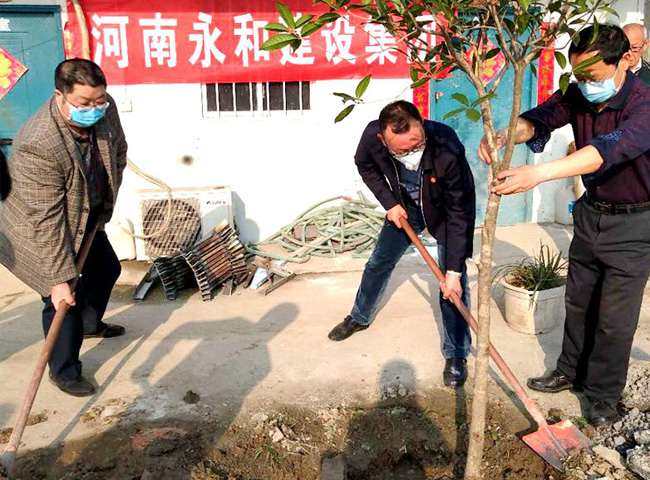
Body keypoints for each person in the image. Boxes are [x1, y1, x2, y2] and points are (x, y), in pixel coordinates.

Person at [478, 24, 650, 426]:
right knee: (578, 300)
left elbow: (607, 150)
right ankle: (568, 370)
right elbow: (541, 119)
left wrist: (539, 175)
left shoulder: (644, 103)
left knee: (614, 318)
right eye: (577, 75)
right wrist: (507, 134)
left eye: (592, 76)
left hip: (635, 223)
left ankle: (603, 393)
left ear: (624, 59)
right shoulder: (577, 94)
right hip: (591, 214)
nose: (584, 84)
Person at [0, 59, 128, 397]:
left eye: (99, 99)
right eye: (84, 104)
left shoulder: (104, 105)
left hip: (84, 213)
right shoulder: (38, 143)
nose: (95, 108)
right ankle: (65, 370)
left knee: (106, 269)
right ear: (61, 96)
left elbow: (118, 152)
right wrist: (58, 280)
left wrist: (102, 205)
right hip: (36, 228)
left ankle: (90, 325)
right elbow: (47, 220)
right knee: (61, 299)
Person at [328, 100, 476, 388]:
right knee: (378, 263)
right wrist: (390, 203)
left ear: (422, 127)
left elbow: (460, 211)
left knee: (451, 284)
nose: (412, 154)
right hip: (405, 207)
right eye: (403, 150)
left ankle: (456, 353)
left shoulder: (446, 145)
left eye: (417, 144)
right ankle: (359, 316)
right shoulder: (373, 137)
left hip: (444, 211)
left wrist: (454, 272)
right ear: (384, 140)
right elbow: (365, 165)